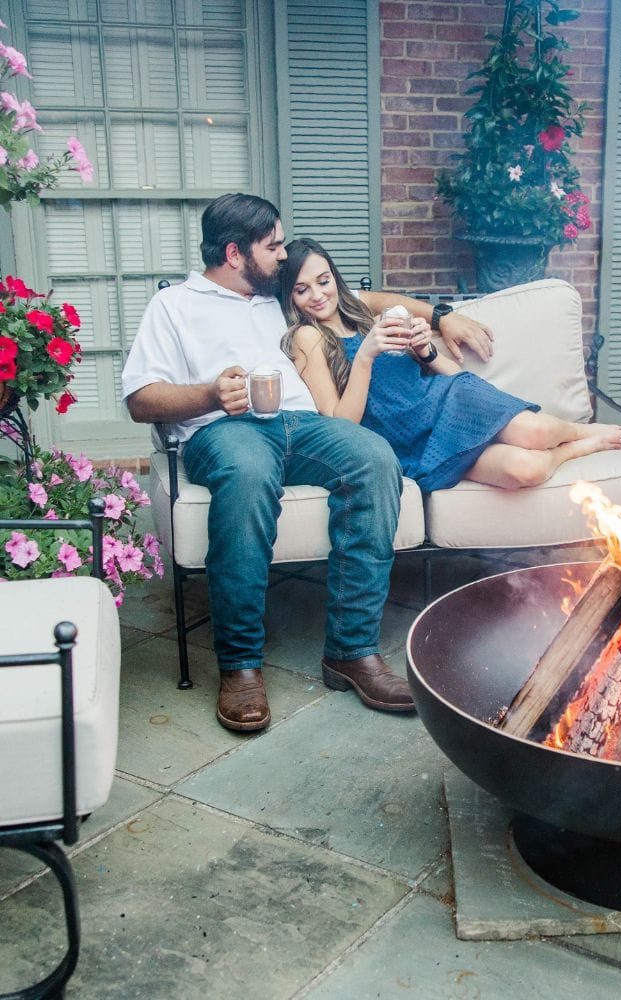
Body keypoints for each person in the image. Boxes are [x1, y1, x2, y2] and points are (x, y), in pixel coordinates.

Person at [121, 194, 489, 733]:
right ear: (234, 253)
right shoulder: (174, 306)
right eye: (272, 246)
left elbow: (367, 298)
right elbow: (140, 400)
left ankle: (352, 651)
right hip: (224, 430)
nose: (282, 254)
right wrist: (209, 395)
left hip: (303, 424)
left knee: (373, 457)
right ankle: (240, 665)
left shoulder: (280, 295)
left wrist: (441, 315)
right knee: (249, 476)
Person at [278, 238, 621, 493]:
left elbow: (455, 376)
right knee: (525, 469)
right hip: (410, 444)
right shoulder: (307, 337)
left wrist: (426, 352)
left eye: (323, 281)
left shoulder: (364, 314)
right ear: (289, 297)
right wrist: (366, 356)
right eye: (302, 289)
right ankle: (578, 448)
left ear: (335, 278)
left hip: (446, 400)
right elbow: (340, 426)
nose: (318, 295)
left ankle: (581, 432)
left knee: (535, 434)